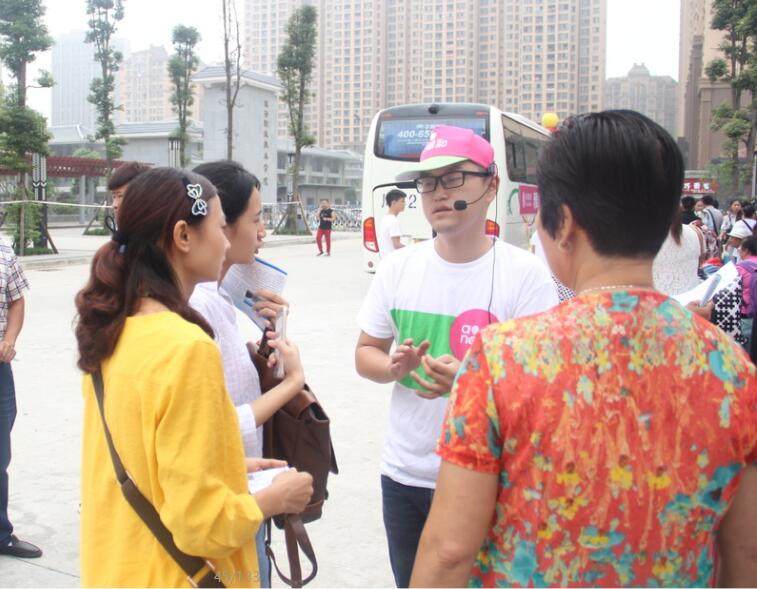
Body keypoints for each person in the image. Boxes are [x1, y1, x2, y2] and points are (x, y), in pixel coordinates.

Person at [411, 111, 756, 588]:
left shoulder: (502, 359)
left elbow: (450, 552)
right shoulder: (733, 370)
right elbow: (746, 554)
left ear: (565, 224)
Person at [75, 167, 313, 587]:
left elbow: (142, 459)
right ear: (183, 236)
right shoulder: (187, 347)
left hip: (118, 567)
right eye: (220, 227)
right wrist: (274, 499)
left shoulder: (114, 328)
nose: (226, 241)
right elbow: (201, 525)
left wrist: (225, 465)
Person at [355, 125, 558, 588]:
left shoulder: (526, 277)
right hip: (405, 475)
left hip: (490, 478)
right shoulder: (397, 269)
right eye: (428, 182)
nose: (438, 193)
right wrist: (392, 367)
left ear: (491, 185)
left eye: (453, 179)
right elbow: (366, 352)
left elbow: (543, 390)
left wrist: (470, 383)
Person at [190, 160, 305, 587]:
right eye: (255, 219)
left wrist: (274, 334)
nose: (262, 232)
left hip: (242, 482)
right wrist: (293, 383)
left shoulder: (218, 297)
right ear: (220, 223)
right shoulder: (197, 307)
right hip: (226, 497)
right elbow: (225, 422)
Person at [0, 239, 40, 560]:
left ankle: (1, 534)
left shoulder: (3, 251)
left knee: (0, 453)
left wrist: (9, 339)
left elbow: (16, 299)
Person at [653, 209, 703, 296]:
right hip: (690, 300)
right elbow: (699, 265)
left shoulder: (636, 236)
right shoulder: (695, 231)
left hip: (654, 301)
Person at [736, 236, 757, 352]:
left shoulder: (741, 267)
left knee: (746, 348)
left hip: (746, 314)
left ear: (747, 250)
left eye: (740, 248)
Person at [378, 189, 407, 258]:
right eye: (402, 201)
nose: (404, 204)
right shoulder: (393, 221)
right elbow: (397, 245)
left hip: (385, 258)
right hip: (392, 259)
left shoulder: (385, 218)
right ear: (393, 203)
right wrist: (412, 249)